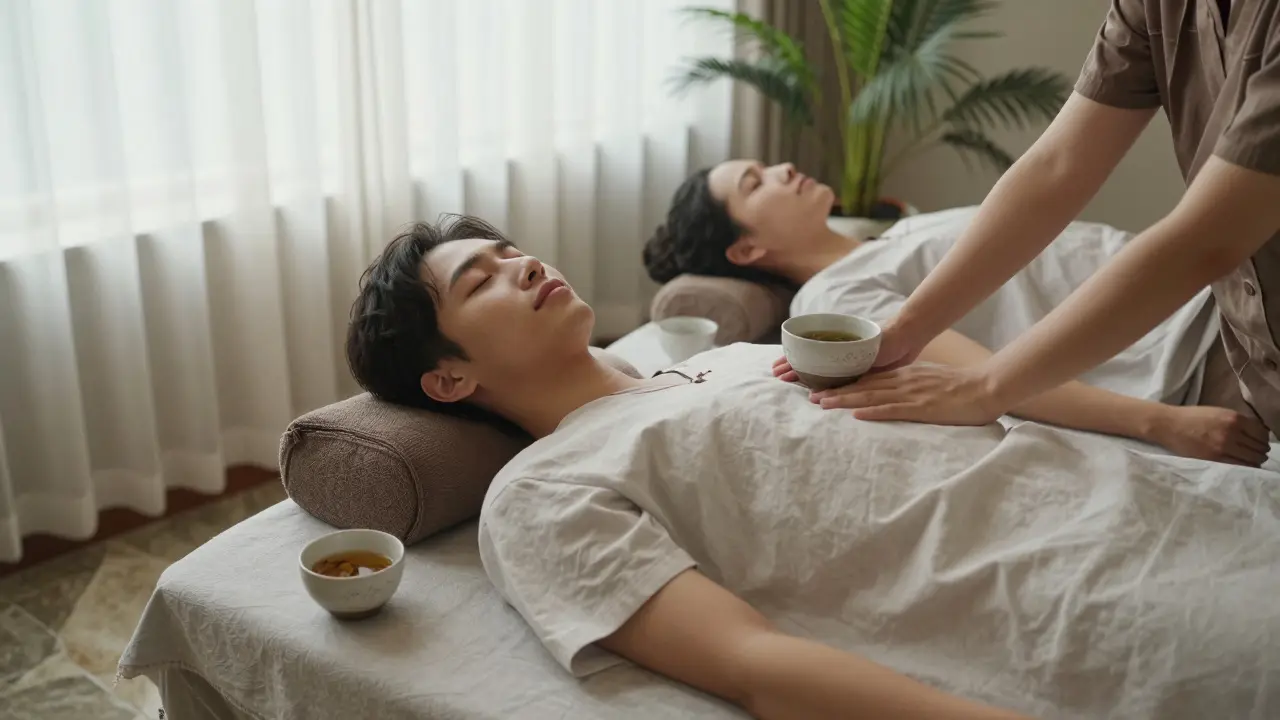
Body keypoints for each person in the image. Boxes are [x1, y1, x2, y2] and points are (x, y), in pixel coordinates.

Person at [345, 215, 1280, 719]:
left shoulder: (730, 360)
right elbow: (756, 665)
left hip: (1160, 499)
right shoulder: (541, 494)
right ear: (449, 376)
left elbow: (957, 382)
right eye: (481, 281)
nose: (522, 264)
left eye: (509, 250)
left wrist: (1158, 430)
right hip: (1077, 594)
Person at [788, 0, 1280, 442]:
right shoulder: (836, 293)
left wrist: (987, 387)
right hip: (1236, 350)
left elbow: (1208, 238)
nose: (784, 170)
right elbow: (1056, 168)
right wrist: (905, 332)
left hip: (1194, 332)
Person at [644, 160, 1271, 465]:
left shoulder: (886, 236)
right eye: (755, 183)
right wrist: (1161, 423)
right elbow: (983, 377)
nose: (781, 167)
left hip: (1214, 287)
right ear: (747, 248)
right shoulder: (835, 298)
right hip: (1196, 343)